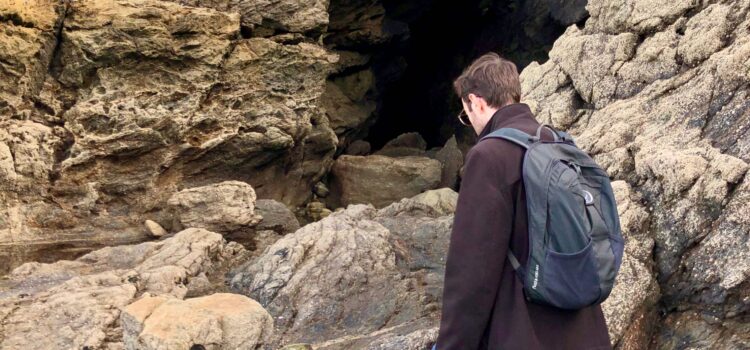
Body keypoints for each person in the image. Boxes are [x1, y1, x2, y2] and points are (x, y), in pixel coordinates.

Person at [433, 53, 612, 349]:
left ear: (476, 102)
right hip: (584, 327)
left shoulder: (488, 156)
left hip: (525, 331)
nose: (471, 123)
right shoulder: (557, 142)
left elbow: (472, 271)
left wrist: (452, 344)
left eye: (466, 115)